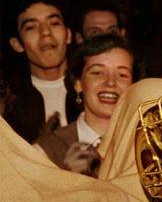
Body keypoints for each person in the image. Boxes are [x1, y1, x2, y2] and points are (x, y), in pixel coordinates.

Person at [35, 33, 134, 173]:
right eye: (97, 72)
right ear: (78, 83)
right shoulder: (48, 149)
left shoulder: (145, 144)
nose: (111, 82)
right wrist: (69, 179)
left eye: (122, 75)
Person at [5, 0, 77, 141]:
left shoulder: (93, 89)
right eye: (31, 27)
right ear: (17, 44)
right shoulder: (8, 104)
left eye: (54, 23)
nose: (45, 32)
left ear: (68, 35)